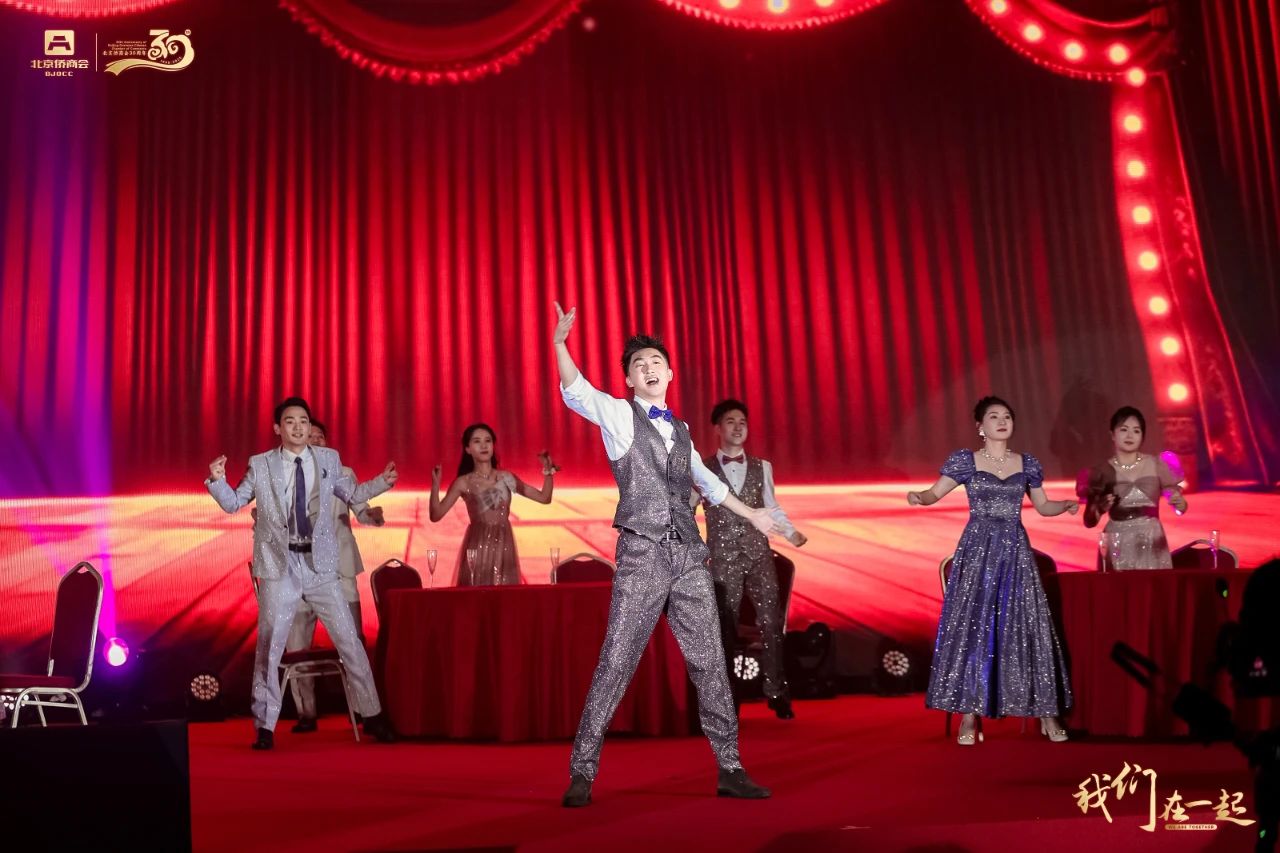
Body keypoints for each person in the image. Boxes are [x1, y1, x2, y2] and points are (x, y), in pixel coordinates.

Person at [553, 302, 779, 808]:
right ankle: (582, 771)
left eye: (656, 361)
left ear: (670, 373)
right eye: (640, 364)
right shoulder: (619, 415)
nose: (649, 368)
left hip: (688, 557)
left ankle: (731, 768)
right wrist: (561, 345)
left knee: (710, 661)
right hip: (642, 553)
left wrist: (754, 514)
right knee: (617, 660)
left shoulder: (683, 432)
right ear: (630, 379)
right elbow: (578, 391)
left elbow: (709, 486)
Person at [206, 397, 398, 749]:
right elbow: (234, 503)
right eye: (291, 421)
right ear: (278, 428)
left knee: (350, 641)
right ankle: (265, 726)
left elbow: (352, 494)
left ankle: (372, 715)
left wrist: (382, 483)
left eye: (304, 421)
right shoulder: (261, 464)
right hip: (281, 567)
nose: (299, 427)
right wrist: (218, 481)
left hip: (320, 565)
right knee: (270, 645)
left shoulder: (328, 459)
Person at [907, 396, 1076, 746]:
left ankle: (1047, 713)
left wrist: (1065, 505)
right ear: (980, 427)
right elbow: (934, 493)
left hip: (1014, 551)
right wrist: (919, 497)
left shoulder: (1026, 463)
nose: (1002, 421)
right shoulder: (966, 461)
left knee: (1027, 624)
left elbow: (1043, 506)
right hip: (978, 550)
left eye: (1007, 416)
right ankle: (970, 715)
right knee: (975, 627)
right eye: (994, 416)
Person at [695, 398, 807, 720]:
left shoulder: (762, 467)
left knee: (771, 623)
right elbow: (688, 507)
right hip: (722, 558)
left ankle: (776, 691)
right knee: (725, 628)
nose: (738, 427)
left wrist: (790, 532)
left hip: (759, 555)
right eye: (730, 421)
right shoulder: (703, 469)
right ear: (718, 428)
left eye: (742, 422)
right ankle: (728, 697)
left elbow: (772, 507)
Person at [284, 419, 386, 733]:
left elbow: (361, 508)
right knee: (297, 643)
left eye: (321, 436)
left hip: (340, 569)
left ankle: (363, 710)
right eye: (310, 436)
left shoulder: (344, 473)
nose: (316, 440)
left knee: (352, 640)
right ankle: (306, 712)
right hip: (300, 571)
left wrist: (372, 515)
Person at [429, 423, 556, 585]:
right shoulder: (463, 482)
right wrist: (435, 485)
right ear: (468, 449)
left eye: (487, 440)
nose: (483, 445)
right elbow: (436, 515)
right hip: (478, 545)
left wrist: (548, 471)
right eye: (477, 441)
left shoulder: (506, 478)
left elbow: (544, 498)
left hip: (504, 545)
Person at [1078, 406, 1187, 570]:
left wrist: (1179, 504)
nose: (1130, 435)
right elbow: (1089, 521)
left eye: (1136, 431)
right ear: (1112, 434)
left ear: (1142, 436)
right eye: (1124, 430)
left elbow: (1180, 506)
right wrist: (1099, 509)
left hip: (1152, 540)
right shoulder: (1102, 472)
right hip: (1117, 542)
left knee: (1152, 585)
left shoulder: (1157, 465)